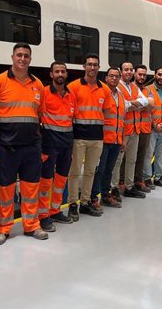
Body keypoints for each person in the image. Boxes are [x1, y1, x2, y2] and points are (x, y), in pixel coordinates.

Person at [0, 43, 48, 242]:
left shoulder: (37, 84)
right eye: (19, 55)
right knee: (5, 190)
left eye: (26, 56)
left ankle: (32, 226)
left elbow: (39, 115)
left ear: (30, 59)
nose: (22, 59)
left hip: (31, 147)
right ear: (12, 57)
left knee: (31, 190)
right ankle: (2, 229)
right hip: (7, 147)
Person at [67, 53, 111, 219]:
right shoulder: (73, 87)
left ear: (99, 68)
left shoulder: (104, 89)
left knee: (91, 172)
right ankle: (72, 204)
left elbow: (106, 111)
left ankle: (85, 203)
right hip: (78, 137)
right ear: (84, 67)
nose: (92, 68)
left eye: (95, 65)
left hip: (97, 138)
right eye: (89, 64)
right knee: (74, 172)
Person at [37, 62, 76, 233]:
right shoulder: (43, 93)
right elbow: (37, 116)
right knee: (45, 182)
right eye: (57, 71)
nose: (60, 74)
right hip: (49, 142)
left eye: (63, 71)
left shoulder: (71, 95)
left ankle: (55, 210)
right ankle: (43, 215)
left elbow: (71, 121)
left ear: (66, 74)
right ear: (51, 74)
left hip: (66, 143)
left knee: (61, 180)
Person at [114, 62, 149, 198]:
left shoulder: (134, 87)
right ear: (121, 71)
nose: (128, 72)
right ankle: (114, 188)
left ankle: (129, 186)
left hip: (135, 129)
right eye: (126, 70)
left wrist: (130, 104)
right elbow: (123, 106)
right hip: (123, 130)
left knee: (131, 160)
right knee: (118, 161)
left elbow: (145, 102)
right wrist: (135, 104)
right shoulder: (117, 86)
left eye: (130, 70)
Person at [92, 67, 125, 208]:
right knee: (99, 170)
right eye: (111, 76)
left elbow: (121, 119)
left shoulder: (120, 95)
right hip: (104, 140)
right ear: (106, 78)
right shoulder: (102, 93)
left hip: (116, 140)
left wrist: (122, 139)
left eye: (117, 76)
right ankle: (93, 197)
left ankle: (105, 195)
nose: (114, 78)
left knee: (109, 170)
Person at [143, 67, 162, 188]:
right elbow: (147, 110)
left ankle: (158, 177)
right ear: (155, 75)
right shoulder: (147, 90)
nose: (161, 77)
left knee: (160, 154)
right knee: (148, 154)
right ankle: (146, 178)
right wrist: (154, 124)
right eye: (159, 74)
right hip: (152, 128)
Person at [133, 65, 154, 191]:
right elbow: (129, 104)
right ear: (135, 74)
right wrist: (143, 103)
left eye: (144, 75)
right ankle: (124, 182)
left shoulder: (147, 90)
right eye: (139, 74)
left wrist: (138, 103)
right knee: (129, 158)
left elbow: (151, 105)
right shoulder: (130, 88)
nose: (142, 77)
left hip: (145, 129)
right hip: (133, 128)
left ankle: (138, 180)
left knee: (141, 156)